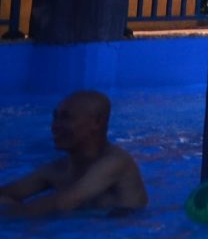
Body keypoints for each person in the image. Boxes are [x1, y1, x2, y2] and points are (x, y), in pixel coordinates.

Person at [0, 90, 147, 216]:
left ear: (96, 122)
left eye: (66, 118)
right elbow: (5, 193)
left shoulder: (116, 162)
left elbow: (63, 203)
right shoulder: (57, 169)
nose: (55, 126)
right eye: (55, 117)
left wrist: (11, 213)